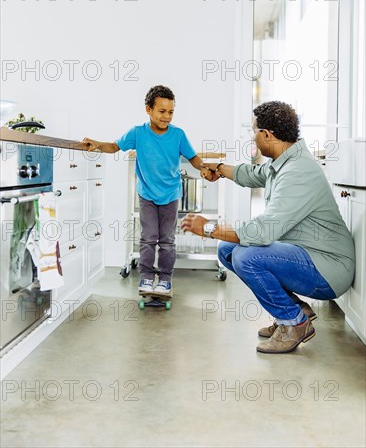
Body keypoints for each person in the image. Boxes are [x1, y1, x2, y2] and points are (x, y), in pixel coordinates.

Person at [181, 101, 355, 354]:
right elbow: (253, 174)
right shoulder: (285, 162)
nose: (253, 138)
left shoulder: (298, 172)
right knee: (228, 249)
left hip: (328, 268)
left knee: (246, 255)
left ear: (266, 134)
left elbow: (264, 231)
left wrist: (208, 228)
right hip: (308, 256)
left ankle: (294, 323)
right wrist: (218, 169)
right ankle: (297, 310)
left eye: (254, 131)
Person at [83, 85, 205, 296]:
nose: (167, 116)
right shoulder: (138, 133)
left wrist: (205, 168)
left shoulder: (178, 135)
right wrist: (97, 144)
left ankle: (165, 279)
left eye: (171, 112)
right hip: (147, 194)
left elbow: (193, 158)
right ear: (148, 109)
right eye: (162, 111)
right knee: (148, 238)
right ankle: (147, 277)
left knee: (167, 240)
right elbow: (114, 146)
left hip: (170, 195)